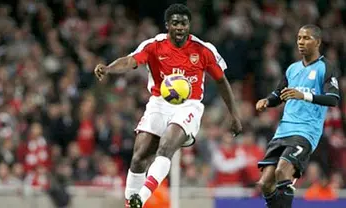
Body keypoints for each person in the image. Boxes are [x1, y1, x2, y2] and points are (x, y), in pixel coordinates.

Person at [94, 4, 242, 208]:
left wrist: (234, 115)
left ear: (189, 25)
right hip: (159, 103)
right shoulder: (154, 45)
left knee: (166, 146)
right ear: (167, 25)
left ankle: (141, 198)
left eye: (184, 23)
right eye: (175, 23)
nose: (180, 27)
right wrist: (109, 69)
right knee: (139, 157)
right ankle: (130, 203)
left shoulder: (203, 50)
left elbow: (221, 81)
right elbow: (130, 61)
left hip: (189, 106)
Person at [255, 24, 340, 208]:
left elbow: (333, 99)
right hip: (283, 131)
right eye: (299, 38)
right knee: (265, 184)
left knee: (282, 171)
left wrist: (304, 96)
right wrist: (267, 101)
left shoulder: (325, 68)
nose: (301, 42)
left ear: (317, 42)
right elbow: (279, 94)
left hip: (305, 132)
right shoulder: (292, 68)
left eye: (306, 38)